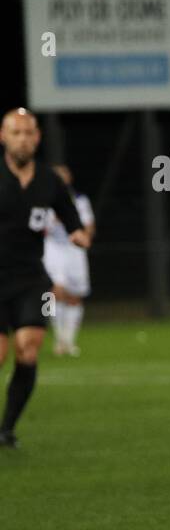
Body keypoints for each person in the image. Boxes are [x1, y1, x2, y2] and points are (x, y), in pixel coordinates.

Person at [0, 109, 89, 447]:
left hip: (31, 278)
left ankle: (6, 428)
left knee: (28, 349)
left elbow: (70, 218)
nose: (23, 138)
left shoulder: (49, 180)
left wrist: (79, 234)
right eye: (15, 132)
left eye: (28, 132)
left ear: (37, 137)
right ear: (3, 137)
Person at [42, 164, 96, 356]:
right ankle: (58, 338)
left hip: (74, 249)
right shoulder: (42, 199)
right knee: (53, 292)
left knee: (75, 295)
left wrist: (84, 235)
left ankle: (69, 340)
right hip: (53, 248)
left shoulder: (80, 201)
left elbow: (89, 226)